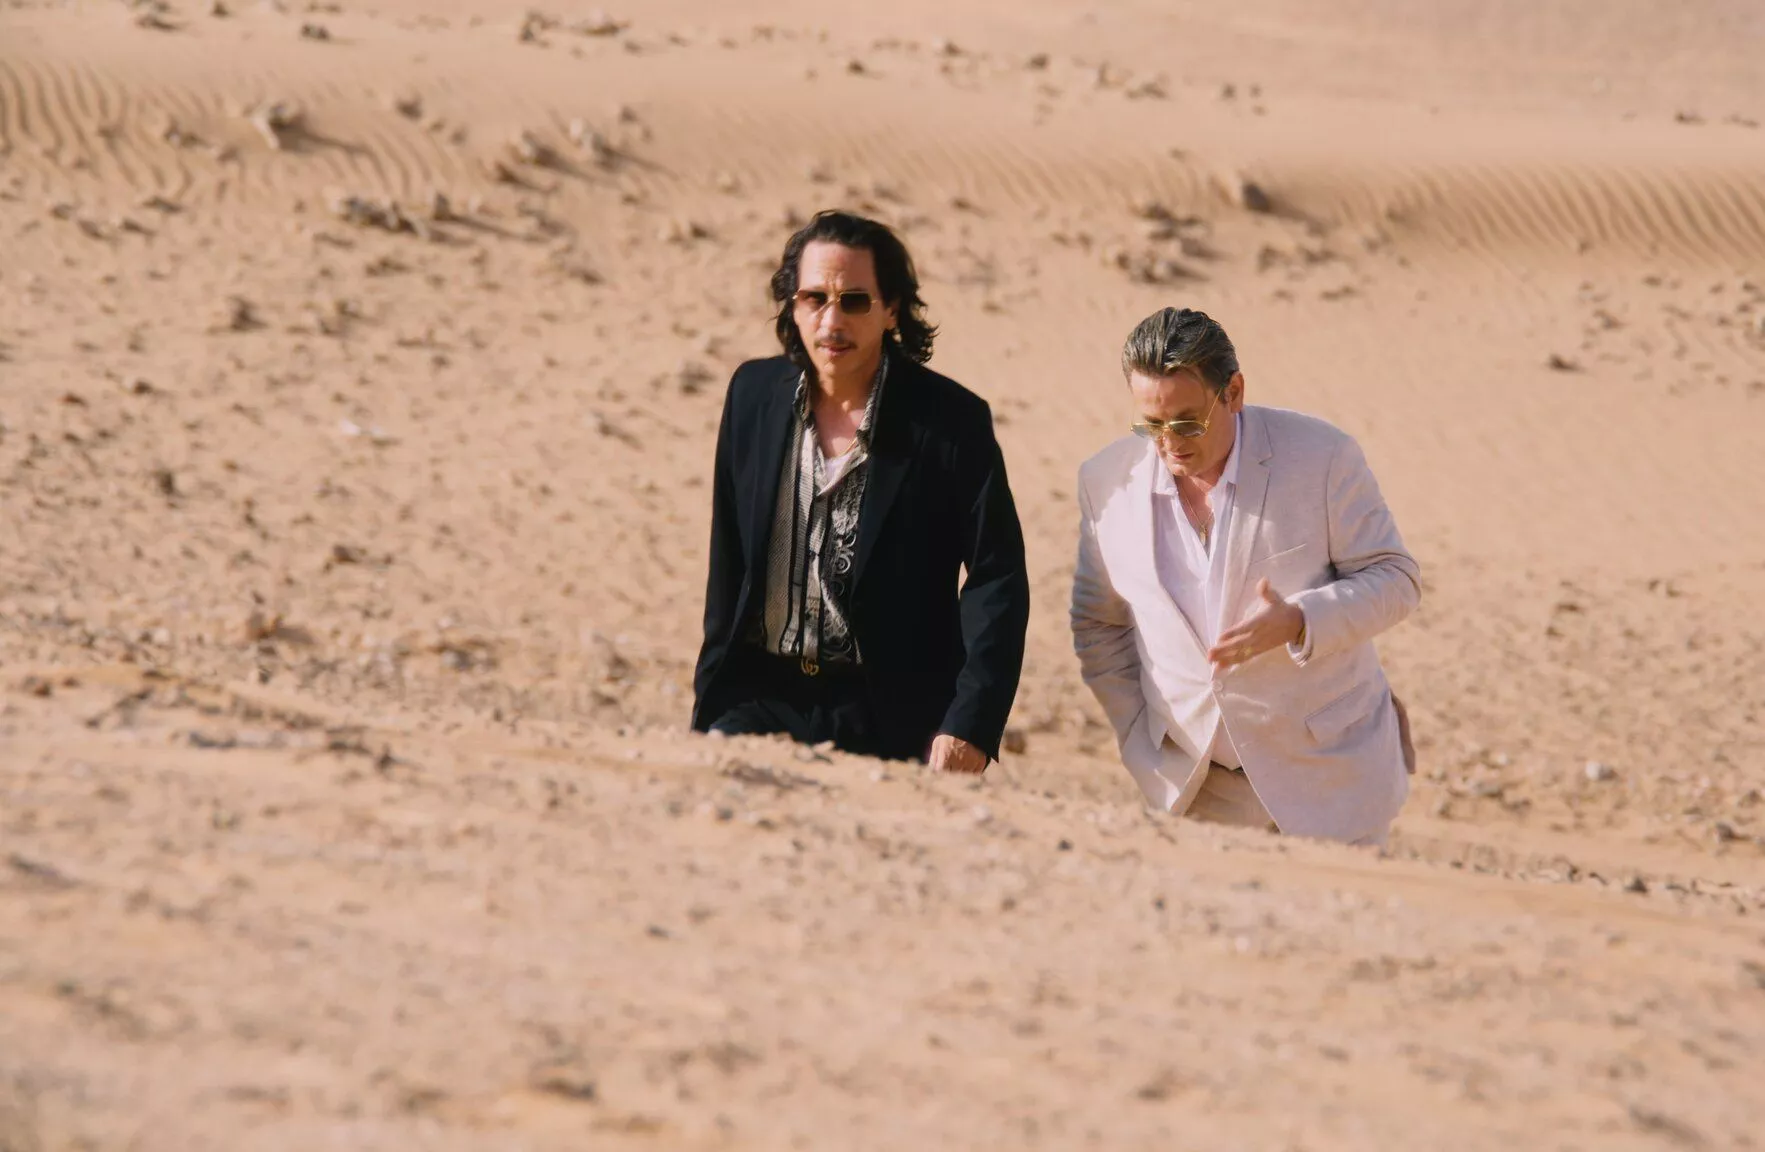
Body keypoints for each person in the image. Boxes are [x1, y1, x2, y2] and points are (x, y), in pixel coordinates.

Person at [692, 210, 1030, 771]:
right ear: (792, 305)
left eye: (854, 301)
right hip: (758, 696)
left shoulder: (950, 423)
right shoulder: (753, 395)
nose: (832, 321)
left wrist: (969, 723)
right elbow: (727, 563)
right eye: (814, 299)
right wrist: (710, 701)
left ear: (892, 308)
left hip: (890, 713)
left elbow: (997, 577)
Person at [1070, 307, 1419, 845]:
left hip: (1329, 779)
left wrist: (1301, 619)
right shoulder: (1105, 481)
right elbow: (1099, 623)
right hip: (1194, 792)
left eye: (1187, 422)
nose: (1169, 443)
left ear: (1233, 392)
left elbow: (1395, 579)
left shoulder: (1322, 457)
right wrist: (1139, 735)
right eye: (1152, 425)